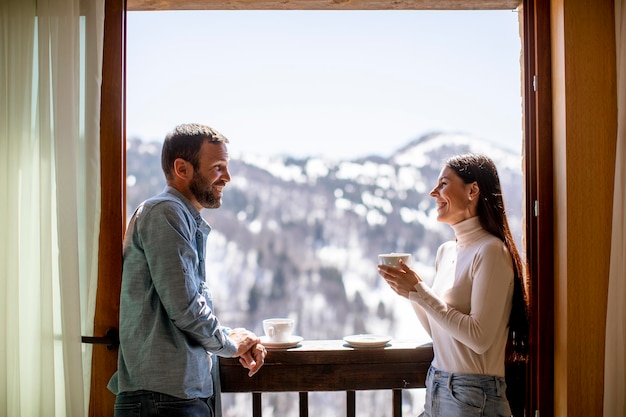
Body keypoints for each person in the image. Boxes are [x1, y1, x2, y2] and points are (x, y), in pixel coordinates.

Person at [108, 123, 267, 417]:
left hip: (171, 398)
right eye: (218, 167)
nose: (227, 178)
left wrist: (232, 338)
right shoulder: (165, 212)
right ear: (182, 168)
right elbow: (185, 307)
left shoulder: (179, 217)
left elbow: (178, 310)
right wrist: (230, 344)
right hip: (163, 402)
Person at [377, 153, 529, 417]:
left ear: (473, 190)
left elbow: (479, 338)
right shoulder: (446, 252)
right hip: (437, 386)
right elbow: (441, 332)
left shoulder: (491, 251)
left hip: (473, 397)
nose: (433, 192)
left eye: (443, 183)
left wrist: (420, 291)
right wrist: (411, 293)